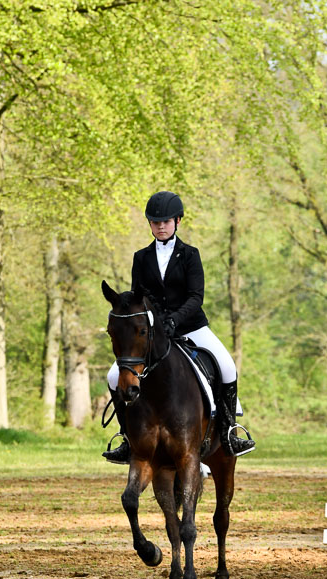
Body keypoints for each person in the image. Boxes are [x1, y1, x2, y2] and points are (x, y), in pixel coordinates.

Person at [103, 190, 256, 463]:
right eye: (155, 222)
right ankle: (126, 438)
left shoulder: (190, 255)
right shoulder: (141, 257)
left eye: (165, 221)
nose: (160, 226)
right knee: (114, 376)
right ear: (150, 224)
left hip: (191, 325)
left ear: (177, 222)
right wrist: (158, 323)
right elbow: (141, 297)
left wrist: (175, 319)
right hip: (154, 331)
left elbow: (196, 297)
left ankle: (230, 430)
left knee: (227, 366)